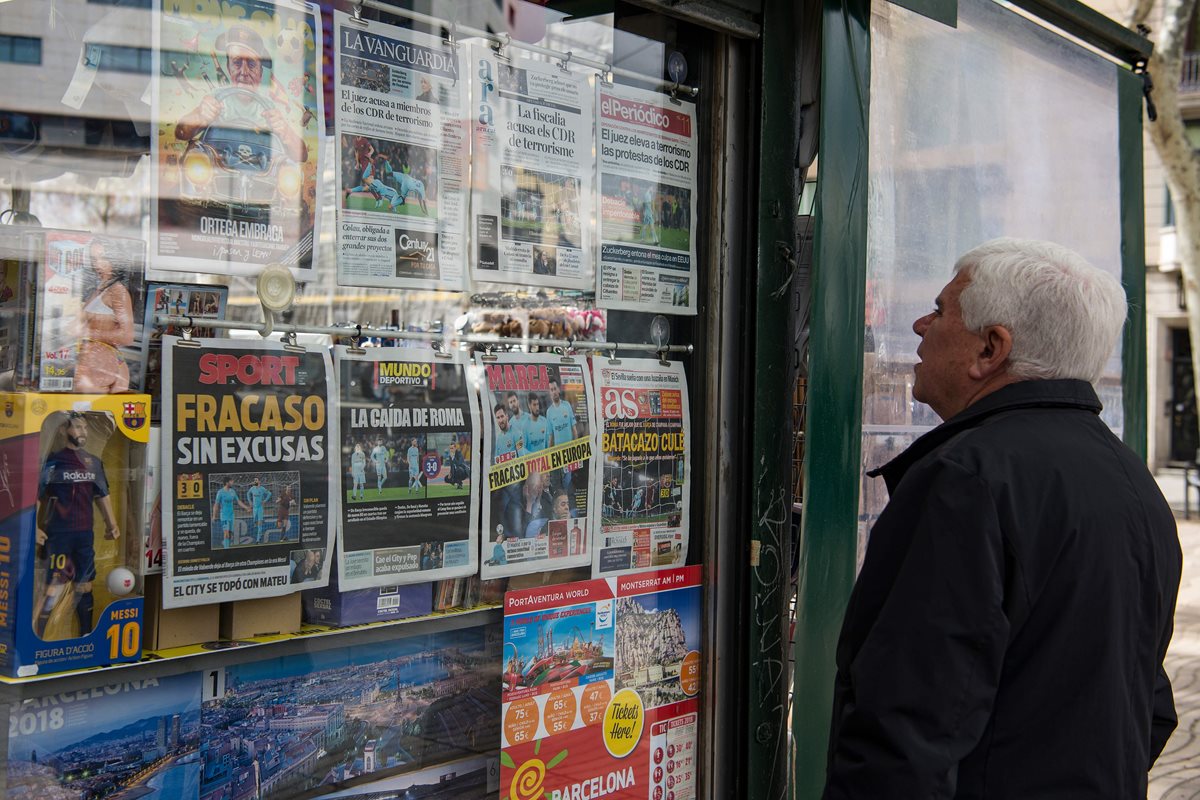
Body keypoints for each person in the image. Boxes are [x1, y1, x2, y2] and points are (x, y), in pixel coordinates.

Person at [822, 238, 1182, 799]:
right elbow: (1148, 708)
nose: (920, 324)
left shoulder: (965, 481)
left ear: (991, 349)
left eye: (941, 310)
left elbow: (904, 731)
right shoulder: (1133, 482)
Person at [34, 413, 119, 637]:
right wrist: (35, 527)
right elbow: (36, 497)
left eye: (85, 427)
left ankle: (86, 635)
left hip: (84, 535)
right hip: (58, 535)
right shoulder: (52, 462)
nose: (83, 432)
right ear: (63, 431)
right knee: (53, 586)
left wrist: (112, 524)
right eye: (78, 427)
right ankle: (37, 636)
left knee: (85, 585)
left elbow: (103, 495)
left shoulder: (93, 462)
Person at [175, 25, 307, 163]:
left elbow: (302, 155)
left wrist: (284, 130)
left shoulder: (269, 107)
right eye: (237, 63)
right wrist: (200, 116)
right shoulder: (217, 98)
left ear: (261, 73)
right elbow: (181, 132)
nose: (244, 72)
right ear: (228, 68)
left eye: (251, 64)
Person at [75, 237, 136, 393]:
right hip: (95, 364)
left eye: (103, 258)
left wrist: (90, 333)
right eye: (93, 259)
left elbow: (127, 335)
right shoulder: (100, 289)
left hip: (105, 366)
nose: (97, 264)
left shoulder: (118, 291)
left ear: (115, 260)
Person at [213, 477, 249, 548]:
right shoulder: (220, 492)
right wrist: (214, 516)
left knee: (229, 533)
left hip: (231, 515)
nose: (232, 483)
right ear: (227, 483)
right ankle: (226, 549)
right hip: (224, 515)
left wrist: (246, 507)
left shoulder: (232, 491)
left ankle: (228, 547)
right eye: (231, 481)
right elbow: (216, 505)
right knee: (226, 533)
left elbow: (238, 501)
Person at [246, 477, 271, 543]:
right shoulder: (252, 488)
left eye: (256, 480)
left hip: (260, 508)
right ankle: (259, 533)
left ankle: (258, 539)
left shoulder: (262, 489)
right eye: (254, 480)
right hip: (254, 508)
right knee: (255, 522)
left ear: (259, 481)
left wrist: (265, 500)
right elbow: (247, 494)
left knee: (259, 524)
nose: (255, 481)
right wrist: (250, 501)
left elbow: (269, 493)